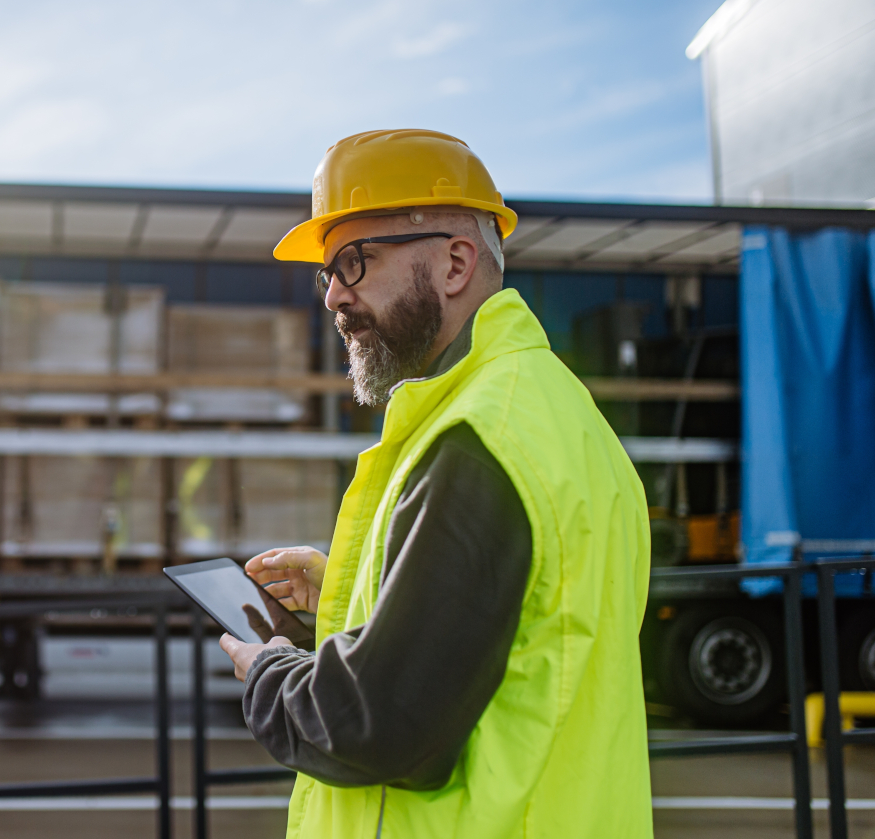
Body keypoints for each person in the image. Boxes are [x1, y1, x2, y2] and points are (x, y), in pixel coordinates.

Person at [217, 129, 653, 838]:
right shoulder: (551, 411)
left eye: (354, 261)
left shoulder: (478, 441)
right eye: (328, 273)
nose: (334, 297)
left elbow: (376, 724)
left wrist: (270, 669)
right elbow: (519, 641)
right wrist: (352, 601)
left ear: (454, 263)